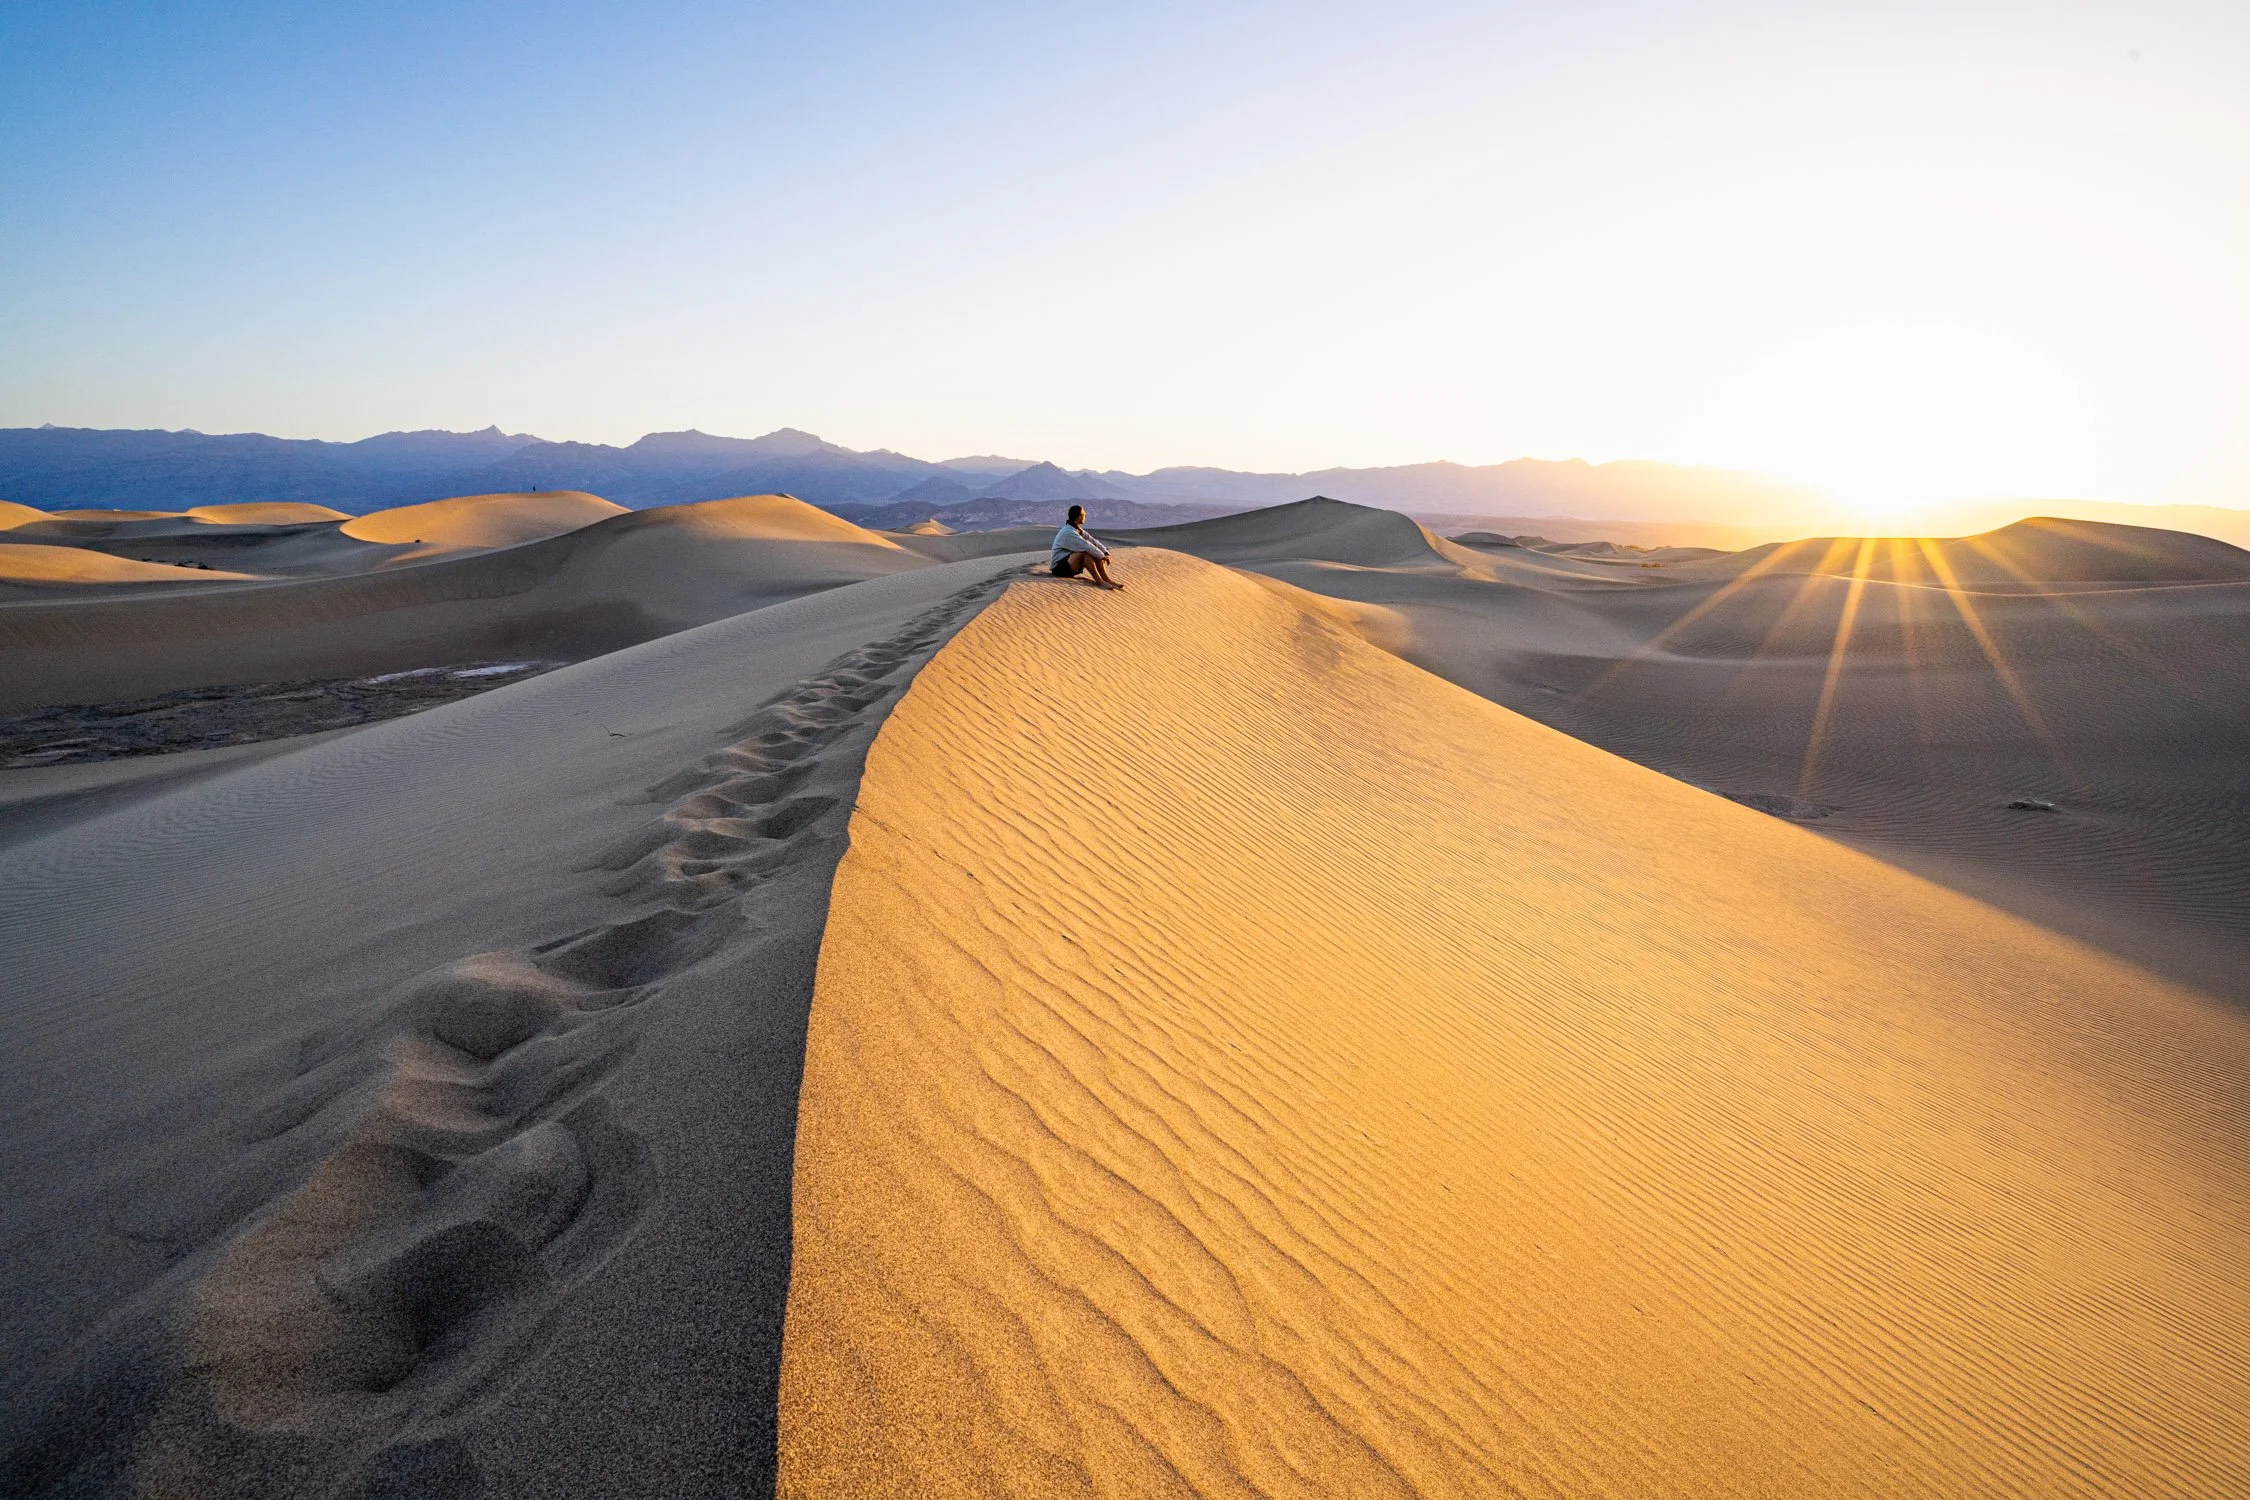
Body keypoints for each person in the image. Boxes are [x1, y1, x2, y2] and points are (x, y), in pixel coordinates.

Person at [1049, 504, 1123, 589]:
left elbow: (1094, 542)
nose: (1085, 516)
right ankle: (1100, 582)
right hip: (1058, 568)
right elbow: (1087, 546)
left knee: (1095, 553)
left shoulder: (1077, 530)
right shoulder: (1069, 532)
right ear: (1079, 516)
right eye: (1084, 514)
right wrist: (1103, 557)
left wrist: (1105, 553)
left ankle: (1107, 580)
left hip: (1069, 564)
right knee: (1085, 553)